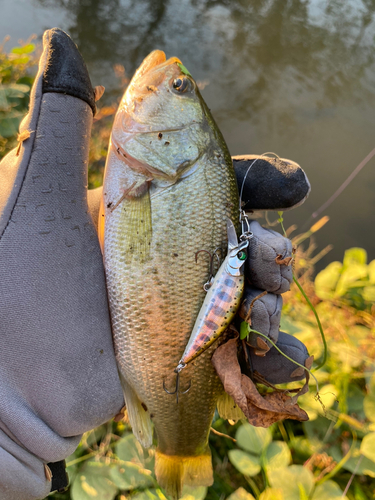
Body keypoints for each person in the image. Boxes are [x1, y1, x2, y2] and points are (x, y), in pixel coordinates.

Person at [0, 28, 311, 500]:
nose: (171, 77)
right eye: (180, 87)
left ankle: (183, 452)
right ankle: (183, 452)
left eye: (179, 89)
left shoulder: (166, 167)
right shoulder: (167, 169)